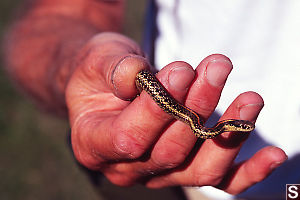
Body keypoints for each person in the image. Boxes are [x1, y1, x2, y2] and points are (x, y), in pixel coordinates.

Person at [3, 0, 290, 199]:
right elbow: (58, 17)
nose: (244, 128)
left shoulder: (207, 127)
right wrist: (81, 66)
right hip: (196, 189)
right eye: (242, 127)